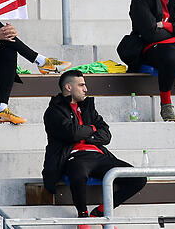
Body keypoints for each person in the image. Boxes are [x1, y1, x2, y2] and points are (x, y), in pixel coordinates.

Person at [42, 70, 146, 221]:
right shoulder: (54, 110)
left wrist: (86, 135)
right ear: (68, 87)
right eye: (81, 85)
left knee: (138, 178)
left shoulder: (88, 108)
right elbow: (72, 133)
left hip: (99, 155)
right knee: (77, 173)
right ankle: (83, 216)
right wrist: (93, 129)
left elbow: (106, 135)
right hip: (73, 156)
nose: (86, 89)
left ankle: (101, 211)